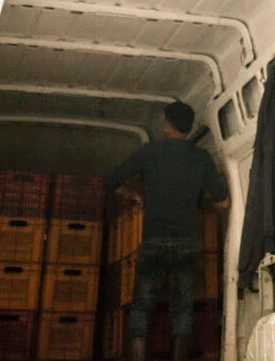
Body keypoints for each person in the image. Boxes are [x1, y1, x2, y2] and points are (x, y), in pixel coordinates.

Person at [108, 100, 229, 361]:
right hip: (187, 243)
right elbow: (223, 202)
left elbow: (111, 181)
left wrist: (135, 196)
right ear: (189, 127)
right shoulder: (201, 158)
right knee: (182, 308)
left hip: (154, 241)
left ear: (166, 125)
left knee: (141, 307)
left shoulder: (149, 152)